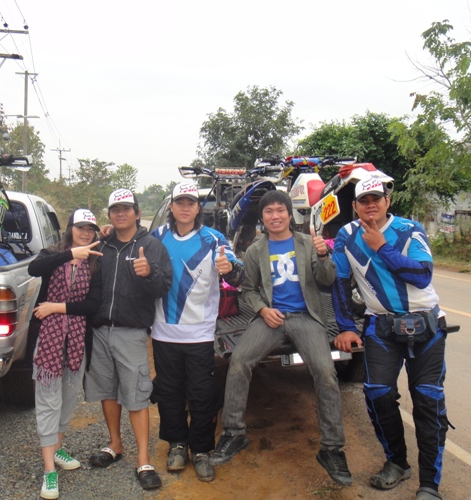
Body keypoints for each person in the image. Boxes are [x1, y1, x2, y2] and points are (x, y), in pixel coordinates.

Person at [209, 190, 352, 487]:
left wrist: (323, 255)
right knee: (239, 362)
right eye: (269, 211)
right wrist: (263, 310)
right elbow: (248, 290)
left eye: (280, 210)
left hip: (305, 318)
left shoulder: (308, 243)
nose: (275, 216)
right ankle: (234, 433)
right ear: (262, 218)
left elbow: (327, 280)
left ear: (289, 214)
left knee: (325, 372)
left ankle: (332, 449)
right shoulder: (255, 250)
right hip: (270, 319)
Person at [331, 176, 449, 500]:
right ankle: (397, 462)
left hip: (426, 326)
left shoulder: (410, 230)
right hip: (381, 327)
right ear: (354, 206)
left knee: (427, 400)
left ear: (387, 202)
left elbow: (422, 275)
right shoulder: (346, 236)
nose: (371, 205)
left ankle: (430, 484)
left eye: (376, 199)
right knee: (378, 394)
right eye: (364, 200)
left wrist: (381, 246)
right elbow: (340, 282)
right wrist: (346, 326)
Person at [149, 182, 245, 482]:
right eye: (180, 202)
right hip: (163, 332)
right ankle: (177, 444)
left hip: (200, 334)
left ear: (197, 208)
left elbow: (238, 274)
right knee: (169, 393)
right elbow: (131, 249)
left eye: (191, 202)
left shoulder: (214, 239)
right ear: (171, 207)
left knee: (202, 394)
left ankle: (201, 450)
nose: (185, 207)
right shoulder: (157, 237)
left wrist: (229, 269)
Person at [84, 188, 172, 491]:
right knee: (108, 391)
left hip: (131, 332)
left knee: (136, 394)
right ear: (109, 215)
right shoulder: (103, 244)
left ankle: (143, 460)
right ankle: (115, 444)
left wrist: (148, 273)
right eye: (115, 209)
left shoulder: (152, 246)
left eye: (126, 208)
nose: (120, 213)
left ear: (137, 213)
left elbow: (163, 286)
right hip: (100, 331)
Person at [28, 209, 103, 500]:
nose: (86, 233)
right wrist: (70, 254)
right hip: (48, 340)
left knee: (69, 397)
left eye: (91, 229)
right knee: (48, 400)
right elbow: (34, 269)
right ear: (70, 228)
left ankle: (57, 447)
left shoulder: (95, 263)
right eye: (80, 227)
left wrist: (55, 308)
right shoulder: (52, 254)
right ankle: (49, 470)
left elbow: (92, 305)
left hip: (76, 341)